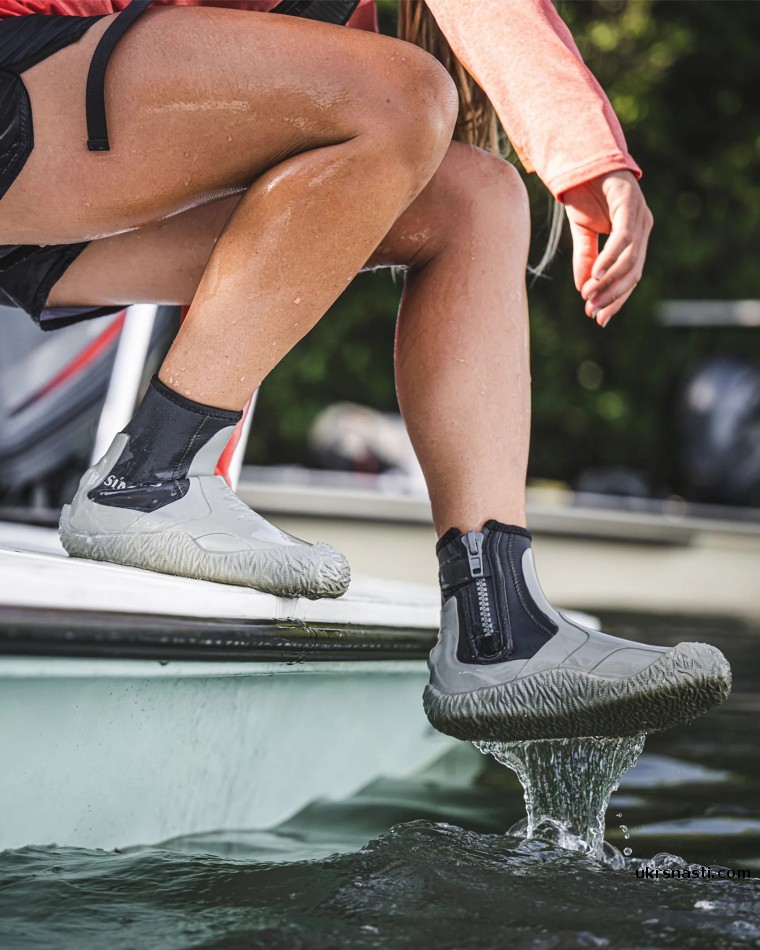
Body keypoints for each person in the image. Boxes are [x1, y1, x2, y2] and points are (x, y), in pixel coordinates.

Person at [0, 0, 731, 739]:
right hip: (27, 91)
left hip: (65, 186)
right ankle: (150, 477)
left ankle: (497, 624)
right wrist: (588, 154)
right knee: (401, 94)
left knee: (474, 197)